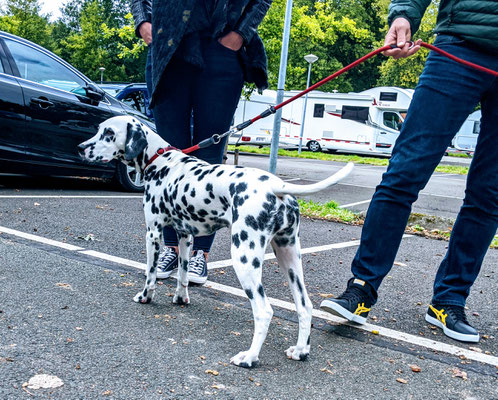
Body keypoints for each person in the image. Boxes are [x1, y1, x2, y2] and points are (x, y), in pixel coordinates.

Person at [320, 0, 498, 343]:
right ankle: (361, 287)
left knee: (490, 194)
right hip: (459, 45)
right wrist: (403, 15)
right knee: (403, 174)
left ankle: (449, 300)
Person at [131, 0, 272, 285]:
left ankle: (200, 253)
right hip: (168, 44)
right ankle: (171, 248)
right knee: (169, 158)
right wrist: (142, 22)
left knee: (209, 156)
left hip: (222, 46)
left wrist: (240, 35)